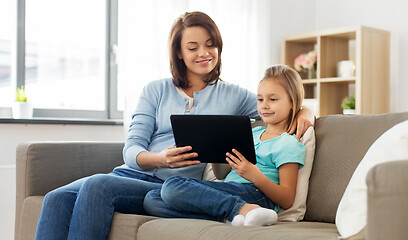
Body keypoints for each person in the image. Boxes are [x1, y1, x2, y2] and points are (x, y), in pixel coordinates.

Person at [35, 12, 314, 239]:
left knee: (98, 185)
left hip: (173, 186)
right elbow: (132, 148)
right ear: (179, 52)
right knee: (56, 198)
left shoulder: (233, 95)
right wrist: (159, 158)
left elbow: (277, 103)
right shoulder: (155, 90)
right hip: (132, 175)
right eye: (193, 47)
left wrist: (305, 111)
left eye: (210, 45)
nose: (204, 53)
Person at [143, 64, 306, 226]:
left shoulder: (288, 143)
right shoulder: (253, 134)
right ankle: (233, 216)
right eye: (260, 99)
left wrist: (254, 175)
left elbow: (287, 199)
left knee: (172, 185)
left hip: (256, 194)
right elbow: (221, 175)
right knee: (152, 199)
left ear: (292, 102)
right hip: (229, 190)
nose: (264, 105)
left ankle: (242, 209)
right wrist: (215, 153)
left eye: (273, 99)